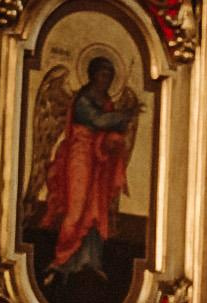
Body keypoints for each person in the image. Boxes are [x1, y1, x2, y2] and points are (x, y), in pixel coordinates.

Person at [40, 57, 142, 285]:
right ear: (92, 74)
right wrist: (123, 116)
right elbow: (97, 120)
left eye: (110, 76)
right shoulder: (83, 100)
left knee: (96, 211)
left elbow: (110, 126)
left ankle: (89, 262)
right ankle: (60, 261)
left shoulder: (105, 101)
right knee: (76, 208)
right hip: (79, 155)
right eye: (103, 74)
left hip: (98, 160)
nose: (106, 80)